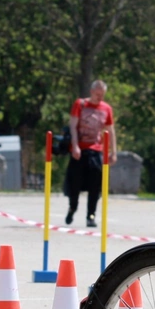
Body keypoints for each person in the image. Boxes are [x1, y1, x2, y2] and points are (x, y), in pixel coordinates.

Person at [65, 80, 115, 228]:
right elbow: (73, 127)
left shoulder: (106, 108)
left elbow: (110, 131)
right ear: (92, 91)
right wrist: (74, 146)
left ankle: (90, 215)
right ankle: (72, 207)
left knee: (95, 185)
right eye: (98, 94)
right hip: (79, 150)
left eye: (102, 94)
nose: (100, 97)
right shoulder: (80, 104)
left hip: (96, 151)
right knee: (75, 184)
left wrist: (113, 152)